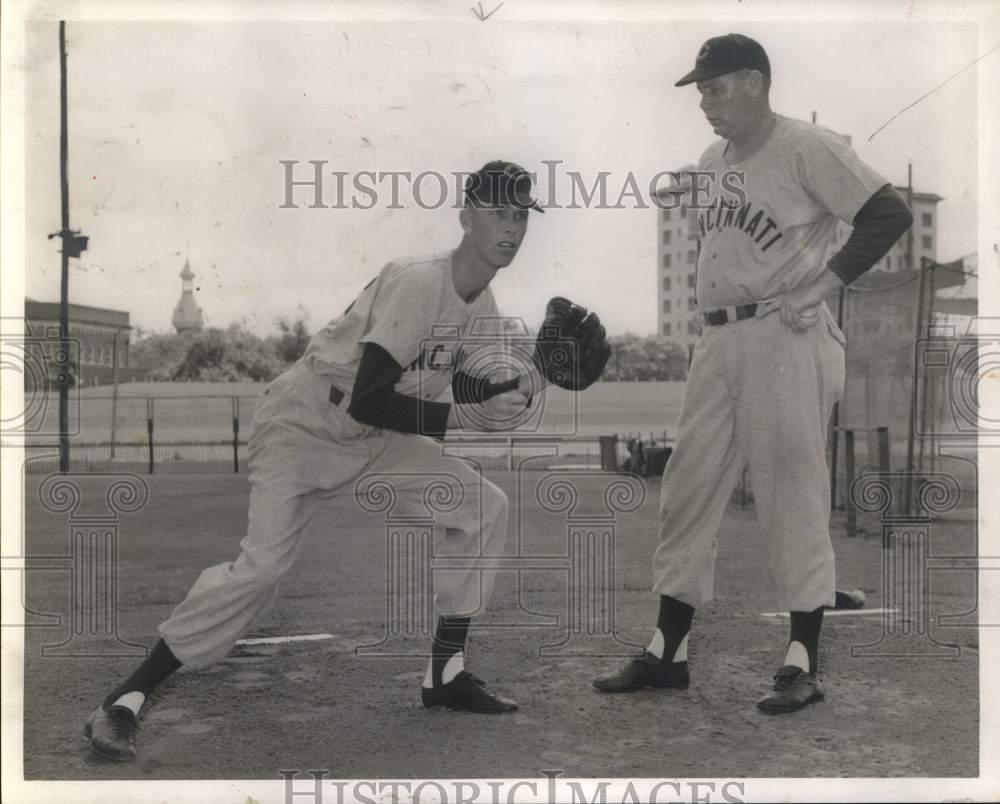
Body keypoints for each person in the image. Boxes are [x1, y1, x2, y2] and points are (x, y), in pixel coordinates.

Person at [85, 160, 549, 762]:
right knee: (262, 570)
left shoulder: (481, 303)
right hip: (304, 424)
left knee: (482, 507)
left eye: (519, 216)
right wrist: (468, 414)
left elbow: (448, 387)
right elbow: (372, 396)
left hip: (373, 440)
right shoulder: (419, 281)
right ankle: (125, 698)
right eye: (497, 212)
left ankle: (446, 673)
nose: (510, 228)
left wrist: (520, 383)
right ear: (465, 217)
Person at [592, 34, 912, 713]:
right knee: (687, 487)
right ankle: (668, 652)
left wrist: (818, 288)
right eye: (700, 90)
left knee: (790, 488)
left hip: (785, 336)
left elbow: (888, 213)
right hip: (719, 343)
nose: (704, 101)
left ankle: (802, 661)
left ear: (754, 82)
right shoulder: (712, 161)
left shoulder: (806, 146)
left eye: (714, 87)